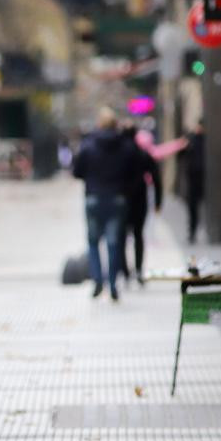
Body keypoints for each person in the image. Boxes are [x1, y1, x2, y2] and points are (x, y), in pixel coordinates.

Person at [72, 107, 141, 301]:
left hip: (93, 198)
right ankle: (112, 283)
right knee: (114, 243)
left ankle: (97, 280)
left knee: (93, 242)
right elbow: (136, 173)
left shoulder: (88, 145)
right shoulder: (126, 146)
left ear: (99, 124)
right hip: (117, 199)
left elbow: (77, 171)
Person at [118, 121, 163, 285]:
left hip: (122, 200)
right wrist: (158, 201)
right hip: (139, 200)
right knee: (138, 236)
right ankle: (138, 270)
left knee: (122, 237)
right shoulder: (142, 154)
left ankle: (125, 271)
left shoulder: (119, 155)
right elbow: (156, 179)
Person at [180, 120, 205, 244]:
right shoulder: (191, 139)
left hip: (205, 179)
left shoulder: (207, 140)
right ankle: (192, 231)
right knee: (192, 207)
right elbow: (181, 155)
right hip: (193, 178)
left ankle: (200, 228)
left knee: (200, 206)